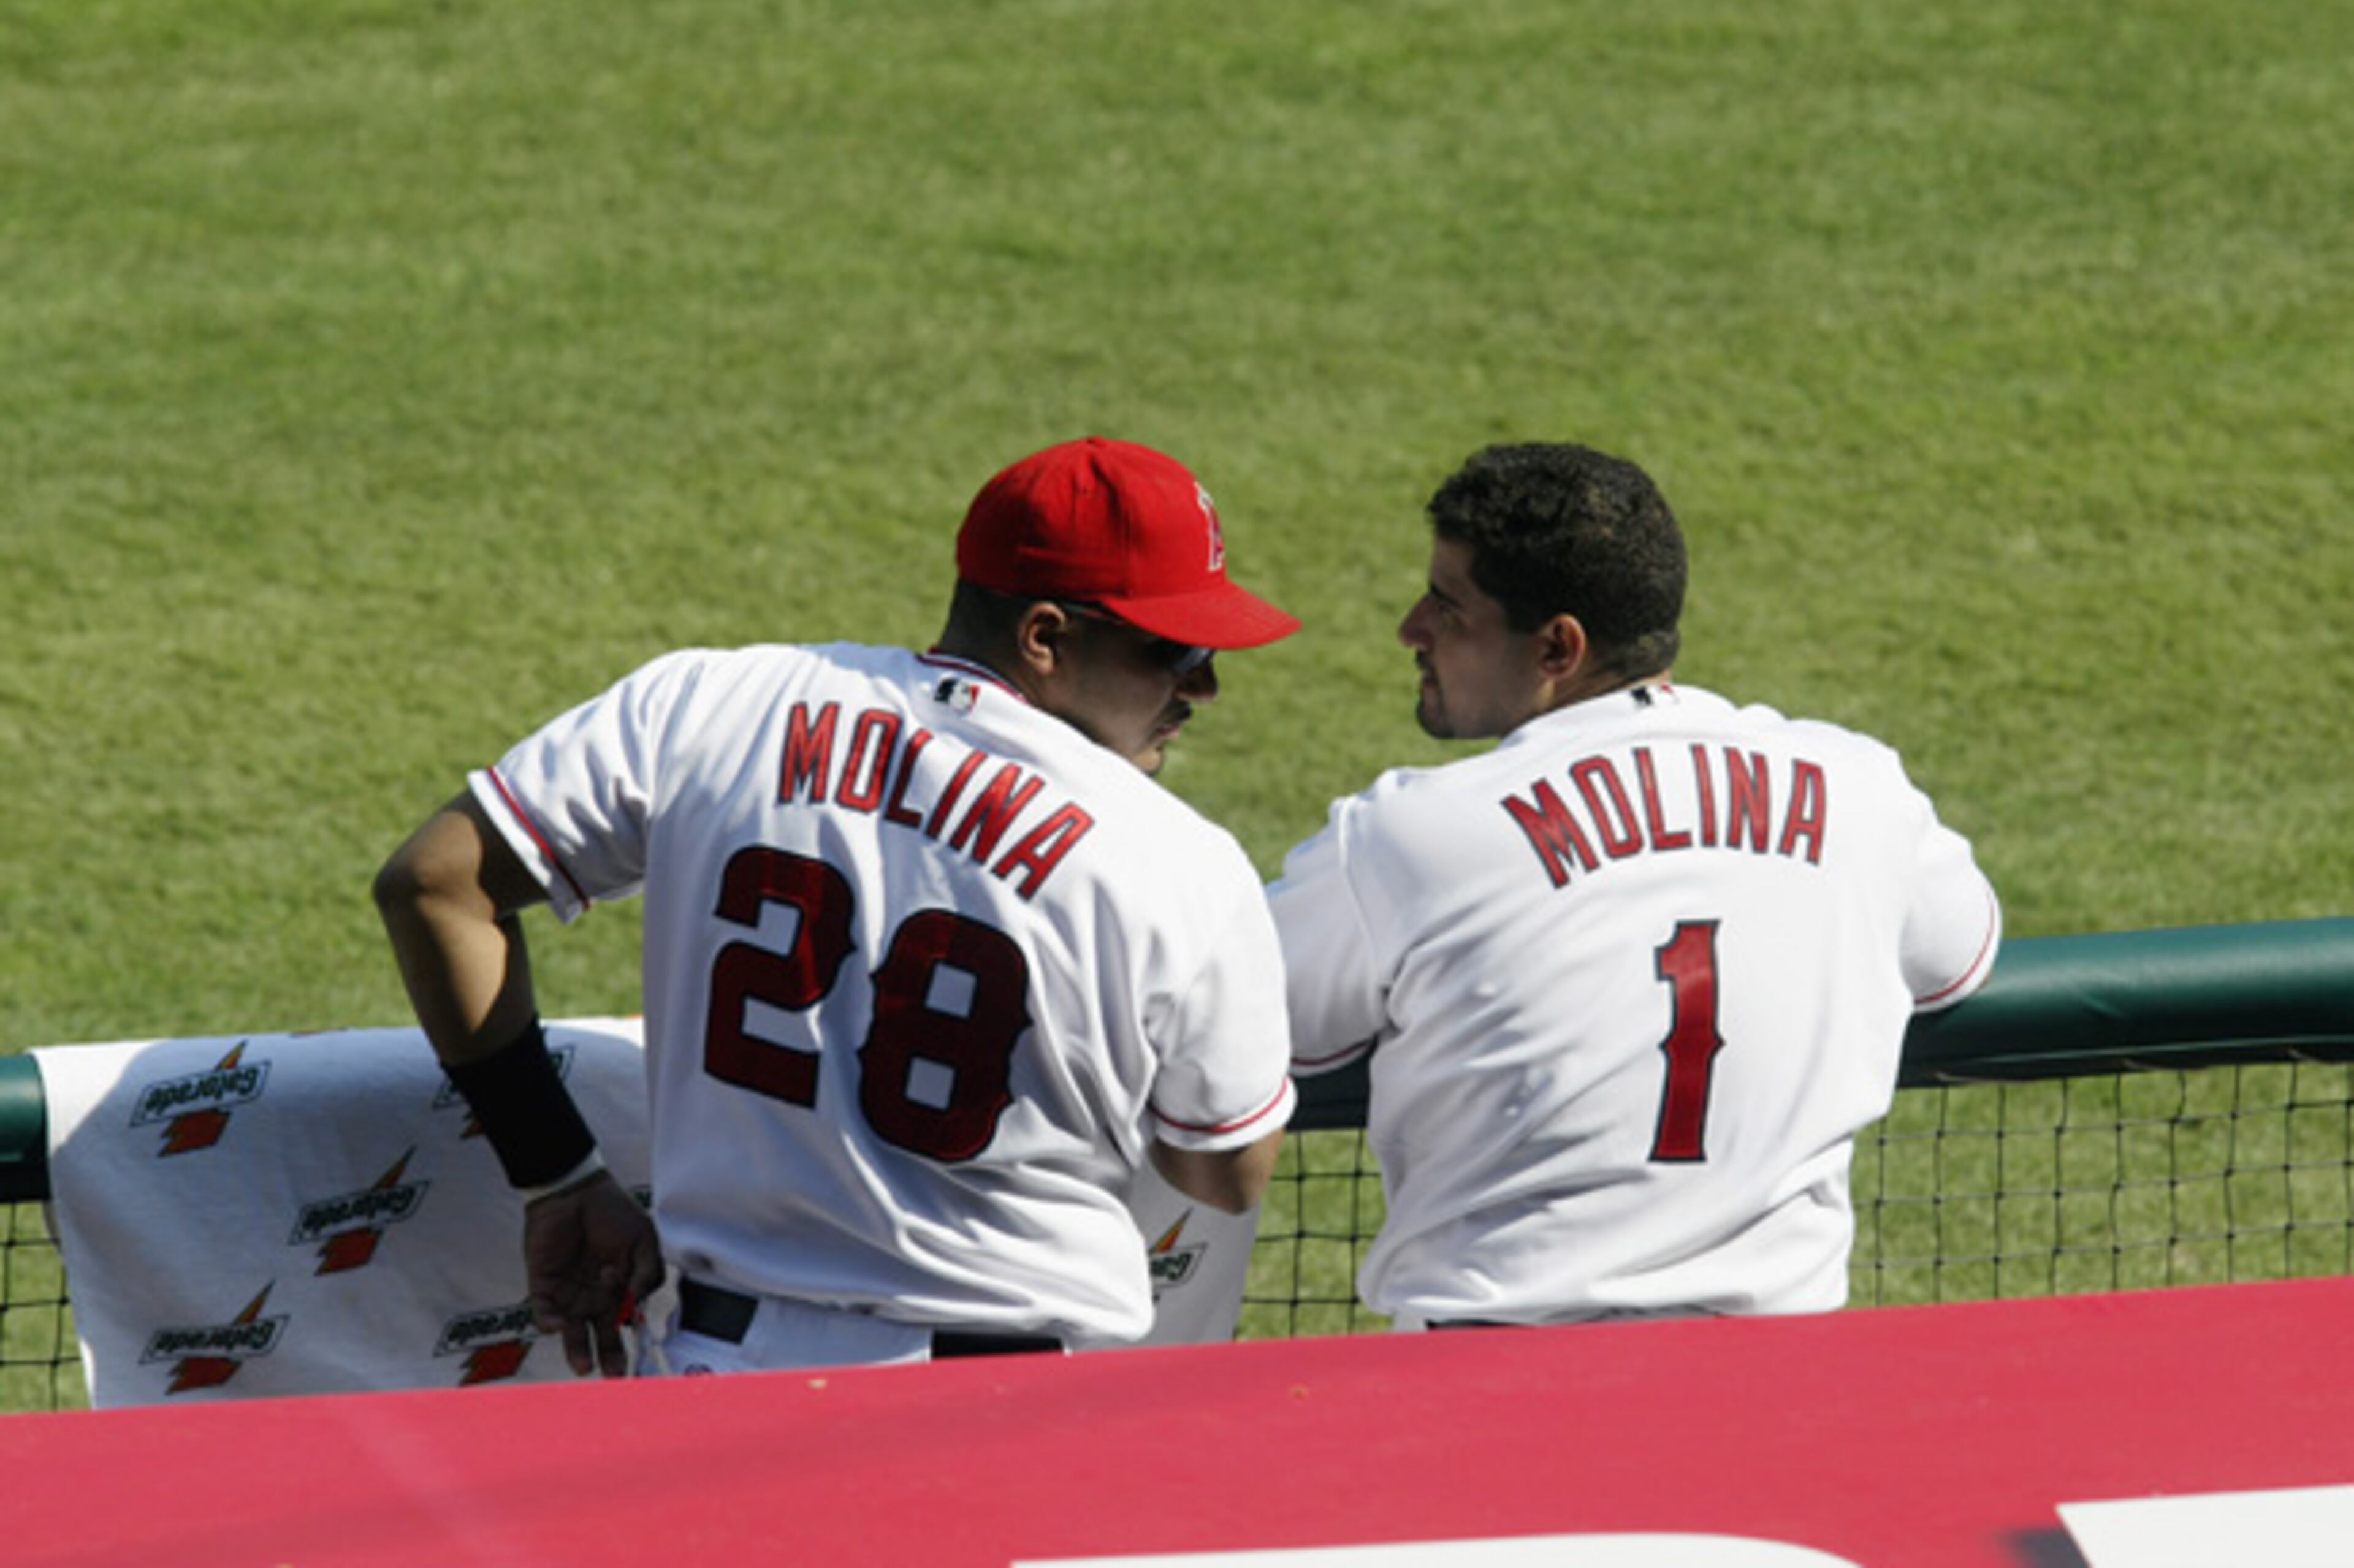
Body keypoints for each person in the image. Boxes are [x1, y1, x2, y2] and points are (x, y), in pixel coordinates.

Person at [374, 436, 1300, 1377]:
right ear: (1046, 637)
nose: (1205, 686)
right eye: (1175, 650)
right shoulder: (1178, 859)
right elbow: (1226, 1169)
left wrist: (557, 1173)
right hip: (1006, 1409)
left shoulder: (708, 702)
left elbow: (434, 884)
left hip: (715, 1380)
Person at [1267, 442, 2000, 1328]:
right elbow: (1956, 957)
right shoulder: (1859, 787)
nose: (1412, 628)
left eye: (1449, 607)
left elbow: (1217, 1035)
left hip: (1490, 1395)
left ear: (1558, 646)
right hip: (1778, 1388)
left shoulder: (1404, 837)